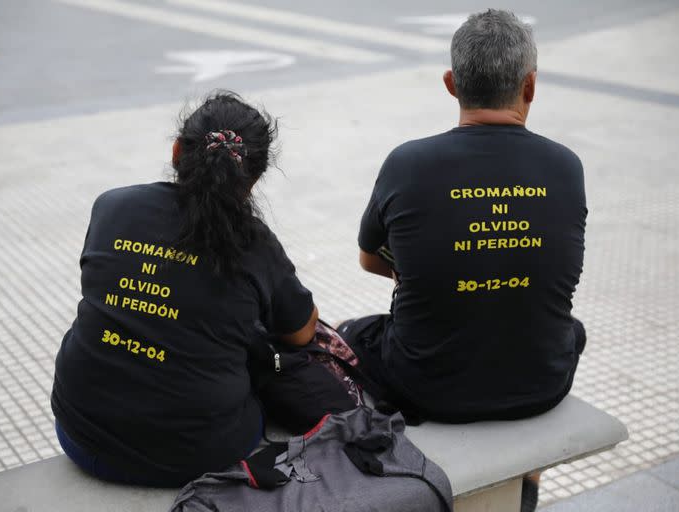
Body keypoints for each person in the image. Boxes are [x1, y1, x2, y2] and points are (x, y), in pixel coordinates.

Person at [337, 10, 586, 510]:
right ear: (530, 87)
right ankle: (527, 483)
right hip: (542, 381)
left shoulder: (407, 162)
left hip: (427, 389)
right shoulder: (566, 165)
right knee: (571, 328)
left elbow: (368, 259)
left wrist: (431, 271)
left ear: (451, 84)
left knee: (348, 335)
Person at [51, 92, 350, 487]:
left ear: (176, 150)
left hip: (82, 434)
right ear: (255, 179)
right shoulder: (255, 243)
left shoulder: (112, 207)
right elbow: (300, 332)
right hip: (197, 453)